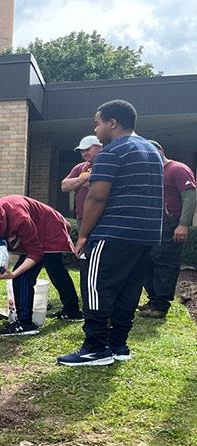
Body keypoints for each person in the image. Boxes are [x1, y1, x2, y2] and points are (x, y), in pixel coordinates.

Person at [57, 99, 163, 366]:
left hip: (113, 232)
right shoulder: (151, 150)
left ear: (112, 123)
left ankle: (94, 347)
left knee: (95, 286)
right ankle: (118, 345)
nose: (96, 128)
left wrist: (82, 235)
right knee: (129, 289)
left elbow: (96, 197)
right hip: (145, 234)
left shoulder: (112, 152)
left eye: (97, 122)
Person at [0, 196, 77, 336]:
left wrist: (14, 274)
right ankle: (72, 312)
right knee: (55, 269)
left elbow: (35, 252)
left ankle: (25, 324)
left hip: (49, 227)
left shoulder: (18, 218)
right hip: (35, 229)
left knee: (25, 275)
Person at [140, 140, 196, 318]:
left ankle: (160, 305)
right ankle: (153, 300)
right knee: (148, 262)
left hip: (170, 224)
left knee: (165, 263)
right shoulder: (150, 173)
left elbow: (190, 198)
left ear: (160, 151)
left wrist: (183, 224)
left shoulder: (177, 169)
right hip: (150, 225)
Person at [61, 135, 102, 230]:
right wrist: (85, 177)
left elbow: (99, 184)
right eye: (82, 151)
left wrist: (76, 184)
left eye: (87, 149)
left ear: (99, 147)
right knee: (83, 243)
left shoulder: (107, 164)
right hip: (82, 216)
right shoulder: (80, 167)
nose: (84, 153)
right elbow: (64, 186)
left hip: (102, 215)